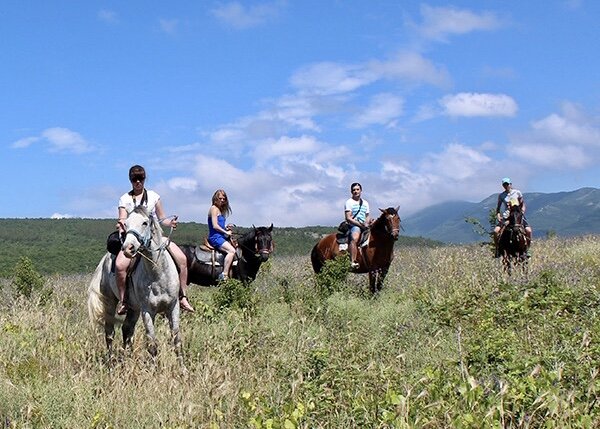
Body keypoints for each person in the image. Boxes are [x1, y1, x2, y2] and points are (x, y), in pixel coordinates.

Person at [115, 165, 194, 314]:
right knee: (119, 266)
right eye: (134, 179)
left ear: (145, 179)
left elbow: (162, 218)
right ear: (130, 180)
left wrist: (169, 223)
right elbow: (123, 219)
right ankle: (124, 301)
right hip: (134, 240)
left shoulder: (153, 196)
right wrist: (121, 226)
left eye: (141, 178)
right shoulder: (124, 199)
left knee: (182, 260)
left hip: (156, 238)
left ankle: (183, 296)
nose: (138, 182)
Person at [493, 177, 533, 257]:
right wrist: (498, 216)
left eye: (507, 184)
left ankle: (527, 249)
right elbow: (498, 208)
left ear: (510, 184)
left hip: (517, 215)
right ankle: (498, 249)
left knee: (528, 230)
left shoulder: (517, 192)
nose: (506, 186)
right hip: (507, 216)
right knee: (496, 231)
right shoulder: (501, 195)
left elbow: (523, 204)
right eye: (504, 184)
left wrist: (521, 212)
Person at [208, 189, 235, 280]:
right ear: (216, 198)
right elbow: (215, 226)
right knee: (232, 251)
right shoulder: (214, 209)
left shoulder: (220, 210)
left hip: (221, 236)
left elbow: (220, 226)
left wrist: (226, 228)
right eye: (220, 198)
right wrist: (226, 232)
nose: (222, 200)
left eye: (224, 199)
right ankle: (224, 274)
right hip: (215, 237)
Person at [344, 182, 373, 269]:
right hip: (354, 225)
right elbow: (348, 218)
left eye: (357, 189)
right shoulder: (349, 202)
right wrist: (360, 224)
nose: (356, 191)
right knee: (355, 238)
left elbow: (367, 216)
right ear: (351, 192)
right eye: (354, 190)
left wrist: (367, 223)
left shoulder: (365, 203)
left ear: (361, 190)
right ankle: (352, 261)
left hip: (364, 224)